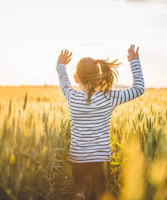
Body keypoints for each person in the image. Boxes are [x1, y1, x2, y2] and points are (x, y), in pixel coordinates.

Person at [56, 45, 145, 200]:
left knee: (81, 196)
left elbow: (63, 80)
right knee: (100, 196)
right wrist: (134, 61)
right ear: (98, 78)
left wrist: (61, 64)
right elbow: (138, 89)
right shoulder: (108, 97)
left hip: (77, 162)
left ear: (76, 78)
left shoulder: (72, 97)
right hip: (100, 163)